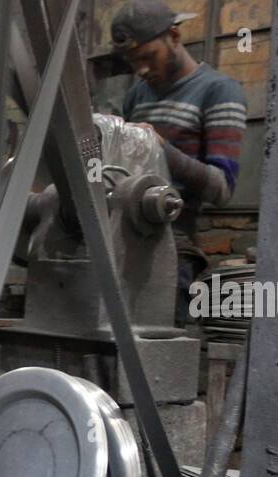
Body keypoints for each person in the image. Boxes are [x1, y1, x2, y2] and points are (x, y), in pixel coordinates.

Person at [111, 0, 247, 324]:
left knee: (157, 351)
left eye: (147, 57)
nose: (141, 70)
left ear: (174, 36)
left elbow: (222, 188)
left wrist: (162, 149)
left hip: (173, 248)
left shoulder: (219, 91)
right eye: (133, 62)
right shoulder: (137, 96)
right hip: (123, 239)